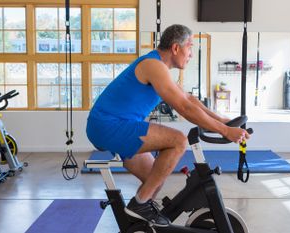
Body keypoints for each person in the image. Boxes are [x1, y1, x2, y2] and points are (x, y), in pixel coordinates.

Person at [86, 24, 250, 227]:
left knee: (155, 177)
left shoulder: (159, 68)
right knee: (178, 141)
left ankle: (135, 224)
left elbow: (188, 99)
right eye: (189, 47)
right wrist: (225, 131)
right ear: (175, 48)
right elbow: (183, 107)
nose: (190, 54)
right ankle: (139, 206)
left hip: (116, 125)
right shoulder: (153, 66)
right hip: (108, 126)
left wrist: (222, 121)